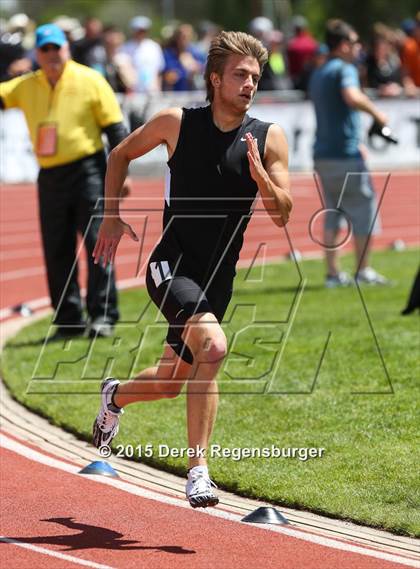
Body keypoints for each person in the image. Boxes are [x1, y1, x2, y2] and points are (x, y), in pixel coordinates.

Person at [92, 30, 292, 508]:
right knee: (215, 347)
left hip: (218, 279)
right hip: (171, 265)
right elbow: (120, 153)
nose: (249, 84)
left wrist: (263, 177)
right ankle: (198, 472)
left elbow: (283, 212)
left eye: (255, 77)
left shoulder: (269, 136)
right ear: (214, 78)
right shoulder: (175, 122)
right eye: (240, 75)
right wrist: (112, 214)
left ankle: (114, 397)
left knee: (169, 382)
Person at [0, 23, 130, 338]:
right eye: (44, 49)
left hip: (89, 170)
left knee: (98, 245)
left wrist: (121, 175)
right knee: (56, 249)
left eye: (56, 48)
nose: (51, 55)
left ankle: (103, 316)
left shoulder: (90, 80)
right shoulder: (25, 85)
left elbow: (117, 131)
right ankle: (69, 320)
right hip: (50, 176)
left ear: (66, 48)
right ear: (36, 53)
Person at [309, 19, 390, 287]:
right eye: (355, 43)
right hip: (345, 154)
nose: (359, 48)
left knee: (332, 212)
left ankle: (333, 274)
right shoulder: (345, 69)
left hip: (323, 153)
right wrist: (379, 114)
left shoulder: (320, 71)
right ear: (344, 45)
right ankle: (363, 271)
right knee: (364, 209)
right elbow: (352, 96)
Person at [287, 15, 318, 90]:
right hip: (313, 79)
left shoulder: (292, 45)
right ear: (305, 28)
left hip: (297, 81)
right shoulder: (313, 43)